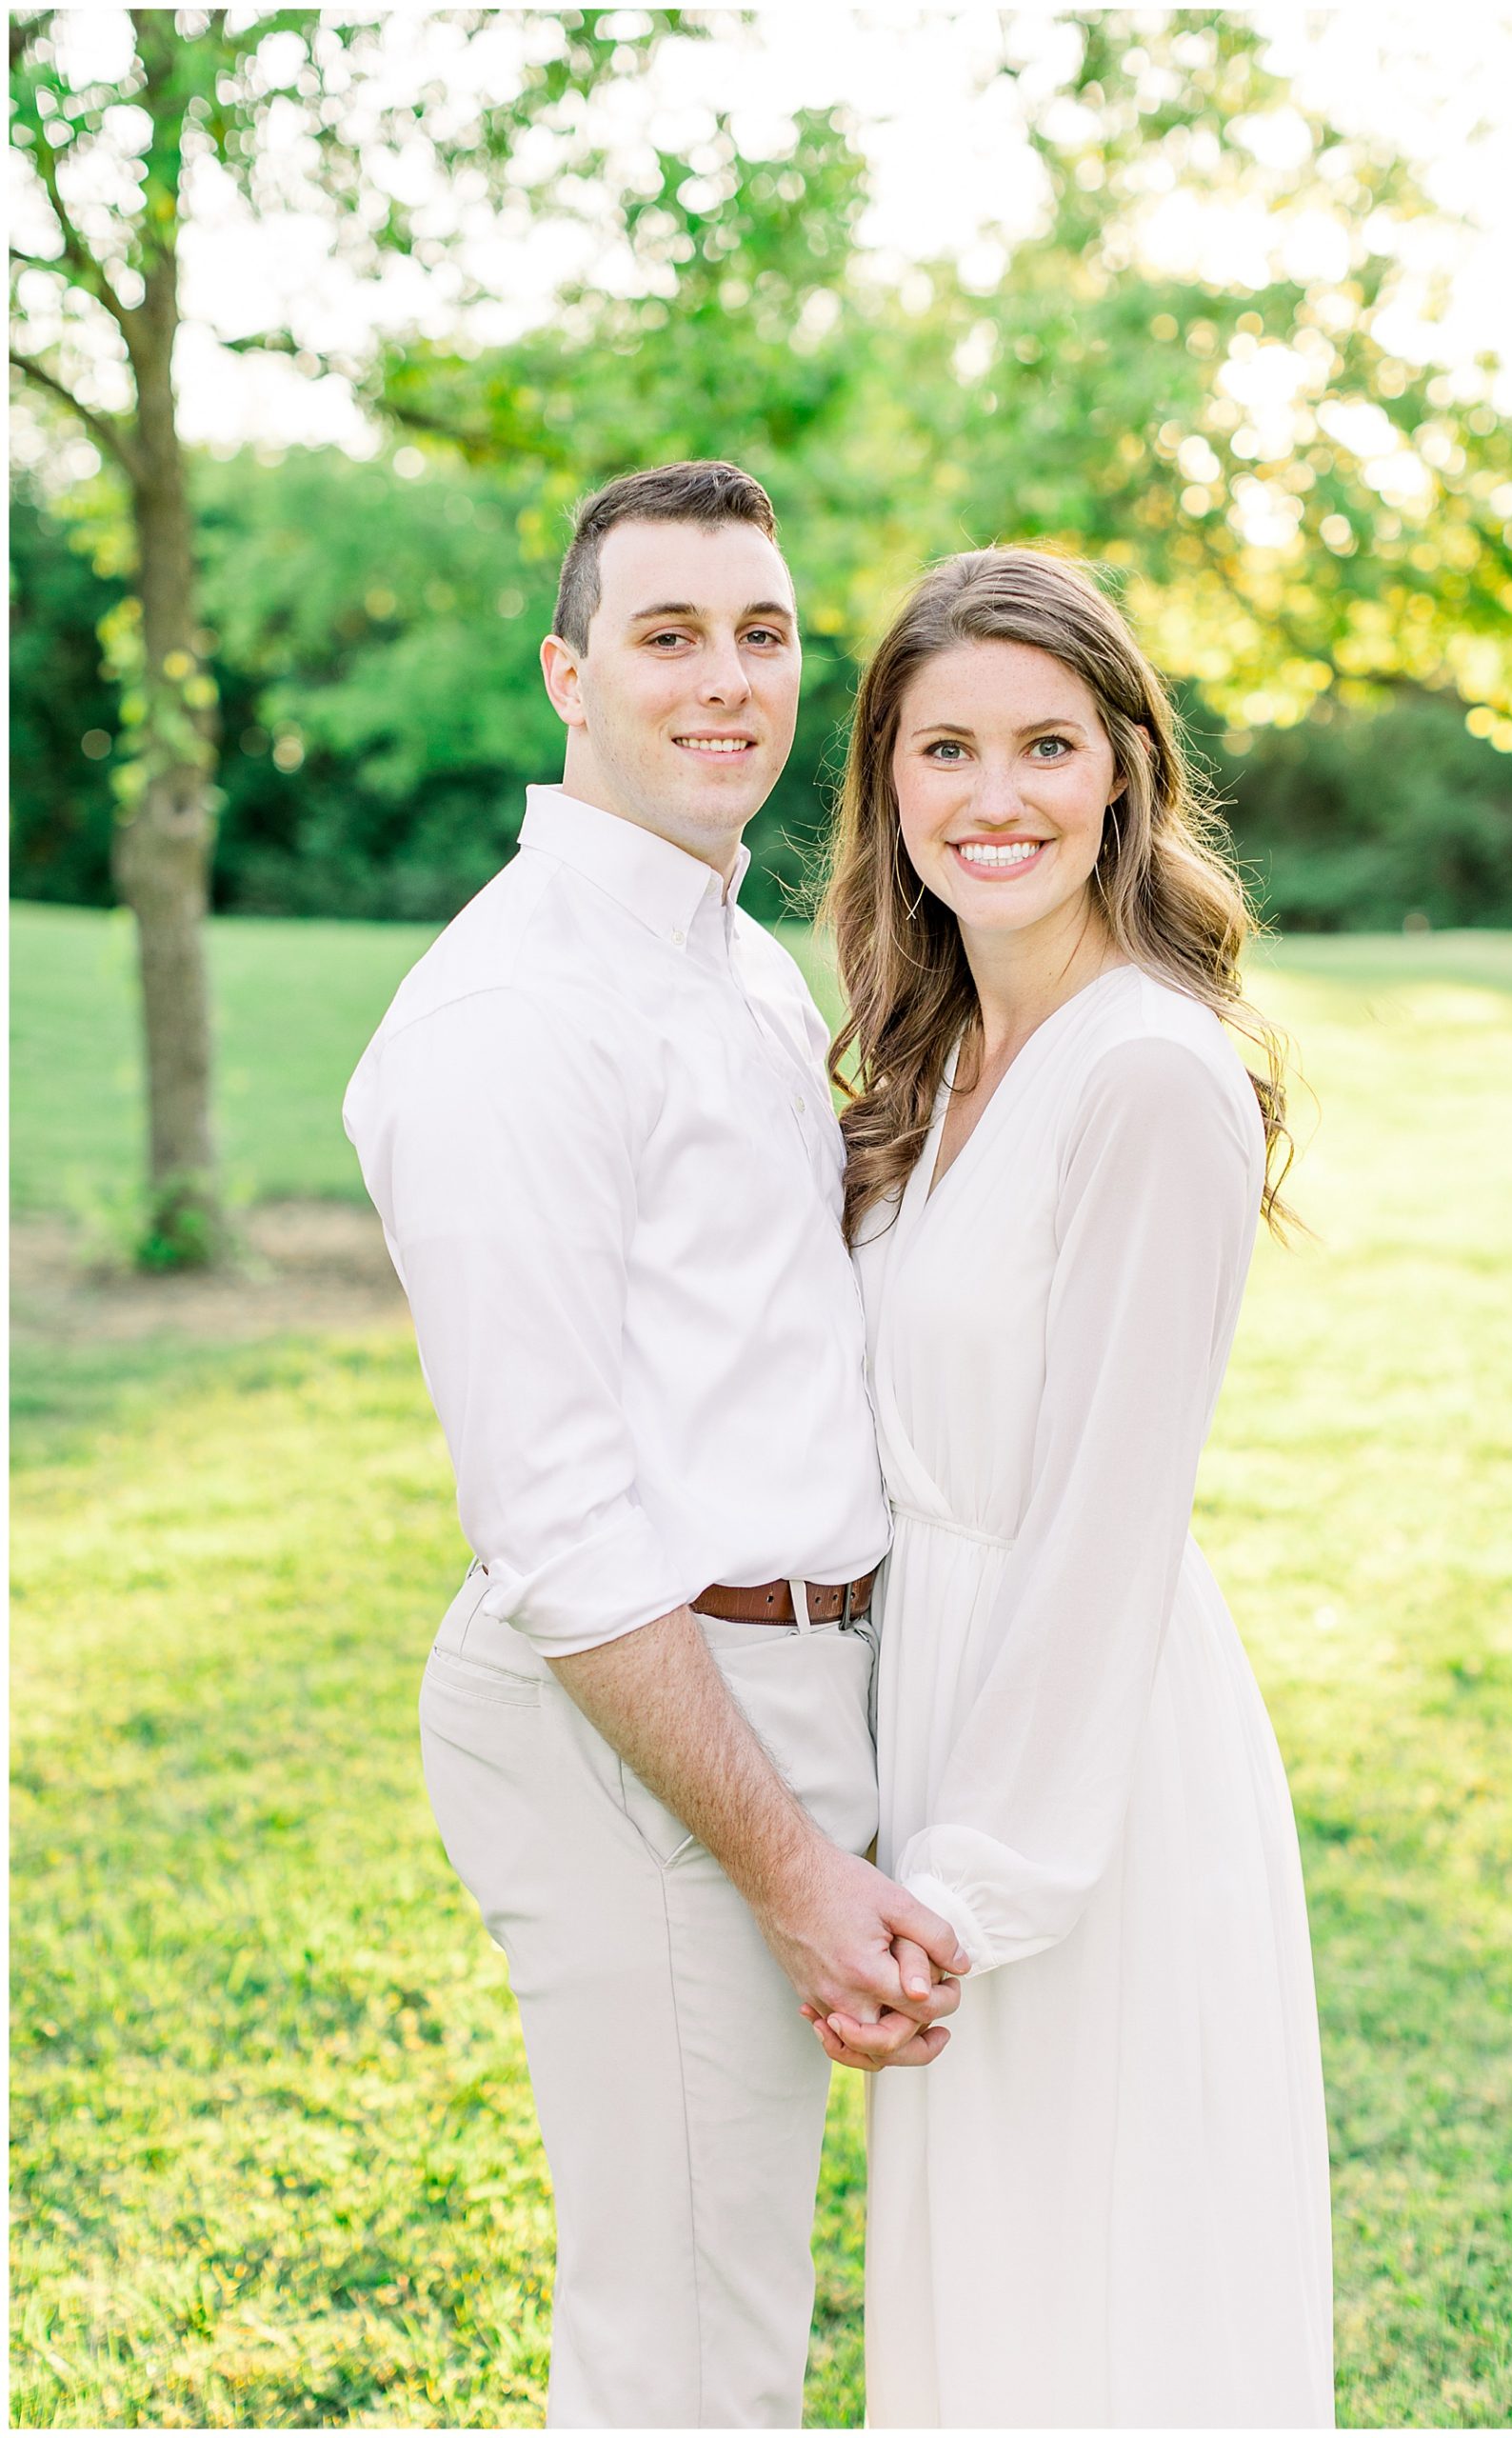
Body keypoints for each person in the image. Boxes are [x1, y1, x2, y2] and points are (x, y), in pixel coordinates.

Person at [342, 461, 967, 2430]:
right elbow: (559, 1529)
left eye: (761, 634)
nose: (725, 680)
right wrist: (789, 1866)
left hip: (783, 1676)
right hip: (643, 1715)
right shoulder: (512, 1015)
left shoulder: (731, 962)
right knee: (688, 2346)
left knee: (727, 2295)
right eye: (667, 634)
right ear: (568, 674)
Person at [809, 548, 1335, 2427]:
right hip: (935, 1707)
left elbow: (1106, 1525)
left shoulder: (1147, 1076)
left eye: (1045, 743)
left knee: (1092, 2286)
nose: (995, 794)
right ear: (887, 779)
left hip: (1074, 1764)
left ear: (1123, 767)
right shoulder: (938, 1050)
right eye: (943, 746)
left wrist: (968, 1888)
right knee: (979, 2294)